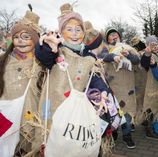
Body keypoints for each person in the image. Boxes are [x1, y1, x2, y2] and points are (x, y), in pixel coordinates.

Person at [35, 3, 111, 155]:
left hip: (77, 111)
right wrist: (49, 46)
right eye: (69, 29)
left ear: (83, 33)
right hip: (53, 108)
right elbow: (44, 56)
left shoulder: (88, 56)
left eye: (78, 29)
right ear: (61, 32)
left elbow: (94, 77)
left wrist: (103, 91)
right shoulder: (57, 51)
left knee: (73, 144)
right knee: (53, 142)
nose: (75, 33)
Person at [0, 8, 43, 156]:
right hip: (4, 119)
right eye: (17, 36)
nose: (20, 40)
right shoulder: (3, 60)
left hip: (29, 120)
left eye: (26, 36)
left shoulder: (40, 65)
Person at [104, 27, 140, 149]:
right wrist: (113, 56)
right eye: (111, 35)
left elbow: (136, 61)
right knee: (112, 113)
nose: (114, 36)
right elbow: (104, 57)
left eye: (116, 34)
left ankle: (127, 135)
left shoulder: (128, 47)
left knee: (127, 114)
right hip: (111, 87)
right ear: (107, 38)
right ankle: (112, 134)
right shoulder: (105, 48)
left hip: (127, 87)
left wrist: (128, 55)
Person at [140, 35, 158, 140]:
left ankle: (149, 126)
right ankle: (149, 131)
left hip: (157, 88)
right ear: (147, 45)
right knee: (150, 108)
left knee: (153, 108)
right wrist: (147, 53)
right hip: (151, 88)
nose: (155, 46)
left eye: (156, 44)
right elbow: (144, 63)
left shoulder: (157, 56)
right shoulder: (149, 55)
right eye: (152, 44)